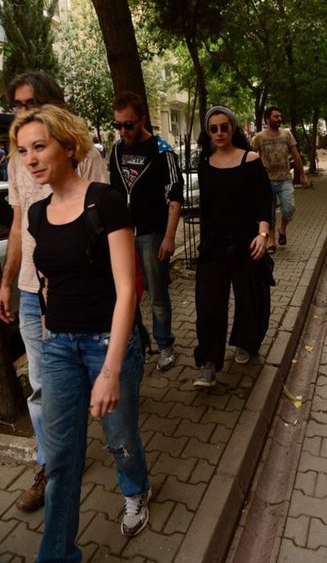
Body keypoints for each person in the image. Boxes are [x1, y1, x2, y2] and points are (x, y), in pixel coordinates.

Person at [9, 105, 151, 561]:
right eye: (23, 151)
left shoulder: (105, 201)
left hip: (107, 342)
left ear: (68, 146)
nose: (30, 158)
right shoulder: (36, 214)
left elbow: (127, 291)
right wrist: (47, 322)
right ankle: (57, 555)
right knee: (61, 457)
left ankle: (136, 488)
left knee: (120, 437)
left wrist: (109, 371)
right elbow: (50, 279)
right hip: (58, 346)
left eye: (39, 146)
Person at [0, 71, 108, 513]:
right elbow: (18, 226)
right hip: (31, 289)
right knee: (42, 385)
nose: (21, 112)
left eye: (29, 104)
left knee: (98, 383)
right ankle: (51, 466)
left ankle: (121, 459)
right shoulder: (16, 160)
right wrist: (7, 281)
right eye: (16, 106)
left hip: (78, 289)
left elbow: (108, 225)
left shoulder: (83, 154)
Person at [194, 106, 273, 388]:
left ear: (233, 128)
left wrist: (262, 235)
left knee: (249, 298)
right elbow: (206, 209)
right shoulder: (205, 164)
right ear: (208, 132)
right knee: (208, 304)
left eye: (224, 127)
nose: (219, 133)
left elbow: (264, 201)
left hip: (246, 242)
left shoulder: (250, 159)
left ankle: (246, 342)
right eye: (213, 128)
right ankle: (208, 362)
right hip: (214, 245)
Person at [109, 91, 184, 371]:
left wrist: (169, 236)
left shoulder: (162, 151)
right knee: (126, 292)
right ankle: (138, 342)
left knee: (157, 294)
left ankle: (165, 344)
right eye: (118, 125)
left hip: (152, 234)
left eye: (128, 125)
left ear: (142, 120)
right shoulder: (117, 150)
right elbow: (114, 191)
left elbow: (175, 196)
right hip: (123, 234)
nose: (123, 131)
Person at [252, 106, 309, 253]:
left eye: (280, 116)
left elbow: (296, 155)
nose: (279, 119)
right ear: (267, 119)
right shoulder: (259, 137)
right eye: (276, 116)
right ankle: (271, 241)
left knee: (289, 208)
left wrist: (302, 175)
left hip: (285, 179)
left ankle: (282, 228)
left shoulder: (286, 134)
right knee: (269, 212)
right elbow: (251, 157)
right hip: (266, 181)